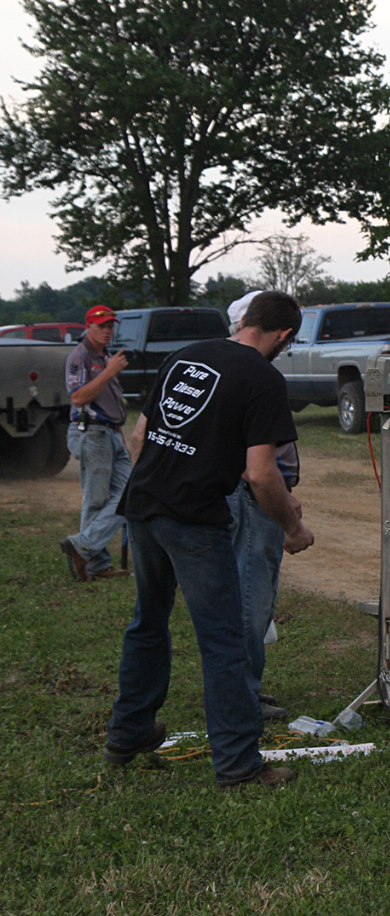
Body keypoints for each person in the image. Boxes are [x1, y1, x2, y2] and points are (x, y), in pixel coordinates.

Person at [104, 290, 314, 788]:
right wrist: (292, 527)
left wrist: (158, 487)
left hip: (143, 506)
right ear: (283, 334)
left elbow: (139, 439)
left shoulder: (185, 357)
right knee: (224, 642)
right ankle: (240, 765)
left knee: (148, 622)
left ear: (246, 320)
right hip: (194, 518)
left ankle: (128, 732)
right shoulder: (262, 378)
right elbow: (262, 475)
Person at [225, 290, 299, 721]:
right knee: (251, 599)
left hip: (258, 496)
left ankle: (240, 690)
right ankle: (240, 699)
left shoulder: (211, 366)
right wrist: (287, 517)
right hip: (254, 502)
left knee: (247, 597)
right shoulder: (257, 376)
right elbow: (255, 470)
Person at [60, 305, 131, 582]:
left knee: (128, 495)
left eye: (110, 326)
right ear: (88, 326)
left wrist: (120, 433)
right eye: (101, 325)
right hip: (91, 432)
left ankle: (84, 547)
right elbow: (78, 397)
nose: (107, 331)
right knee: (97, 499)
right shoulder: (79, 356)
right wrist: (108, 372)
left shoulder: (106, 355)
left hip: (111, 432)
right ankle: (94, 560)